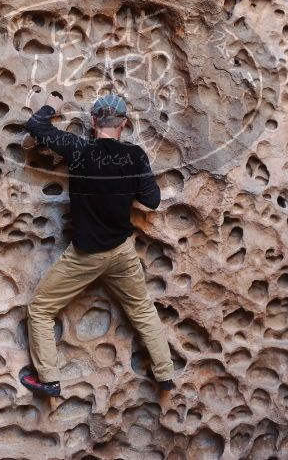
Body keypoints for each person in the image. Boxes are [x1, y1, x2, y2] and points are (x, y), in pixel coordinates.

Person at [19, 92, 175, 397]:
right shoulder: (135, 156)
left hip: (86, 254)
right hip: (122, 251)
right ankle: (165, 374)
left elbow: (36, 125)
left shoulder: (79, 149)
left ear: (93, 121)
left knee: (40, 309)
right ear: (124, 123)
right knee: (142, 310)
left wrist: (54, 103)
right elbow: (152, 200)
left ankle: (49, 379)